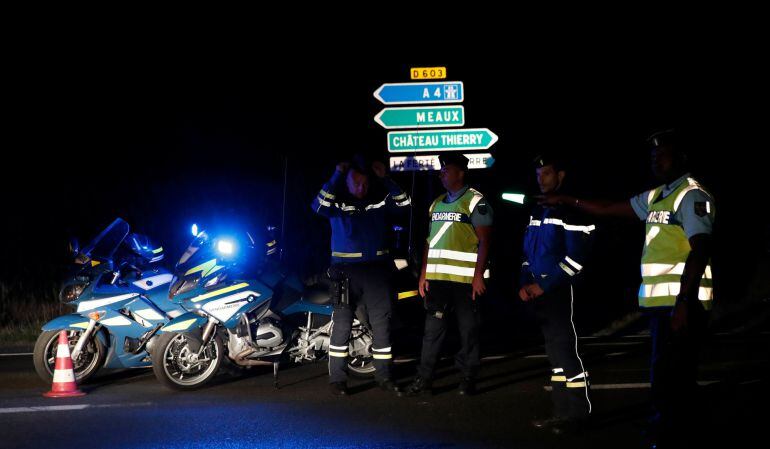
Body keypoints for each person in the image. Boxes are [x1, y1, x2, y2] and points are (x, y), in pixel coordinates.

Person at [538, 130, 715, 445]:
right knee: (668, 373)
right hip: (662, 303)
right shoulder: (658, 195)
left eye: (663, 155)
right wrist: (567, 199)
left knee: (672, 374)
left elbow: (700, 249)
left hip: (682, 303)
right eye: (652, 157)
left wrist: (684, 303)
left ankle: (671, 431)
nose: (656, 161)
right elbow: (608, 209)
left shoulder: (691, 195)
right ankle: (670, 427)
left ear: (681, 158)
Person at [311, 156, 411, 396]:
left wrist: (386, 178)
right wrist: (336, 174)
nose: (360, 188)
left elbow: (405, 203)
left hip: (377, 273)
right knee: (342, 326)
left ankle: (384, 376)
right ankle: (338, 380)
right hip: (345, 275)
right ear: (347, 184)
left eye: (364, 183)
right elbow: (317, 205)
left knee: (381, 326)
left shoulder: (379, 203)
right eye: (355, 183)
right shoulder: (337, 206)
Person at [404, 153, 493, 397]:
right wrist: (423, 274)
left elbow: (485, 241)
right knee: (432, 331)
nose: (442, 173)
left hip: (465, 282)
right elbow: (429, 242)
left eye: (446, 170)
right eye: (441, 170)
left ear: (460, 173)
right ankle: (424, 379)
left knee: (469, 331)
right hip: (439, 282)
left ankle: (468, 377)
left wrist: (478, 276)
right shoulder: (436, 204)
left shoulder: (476, 202)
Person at [520, 154, 594, 435]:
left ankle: (579, 415)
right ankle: (560, 413)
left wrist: (545, 285)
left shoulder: (572, 209)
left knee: (566, 351)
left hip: (562, 291)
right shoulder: (537, 210)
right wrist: (524, 281)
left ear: (560, 176)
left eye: (547, 174)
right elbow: (528, 254)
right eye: (538, 174)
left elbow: (576, 259)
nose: (541, 179)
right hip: (539, 294)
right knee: (555, 356)